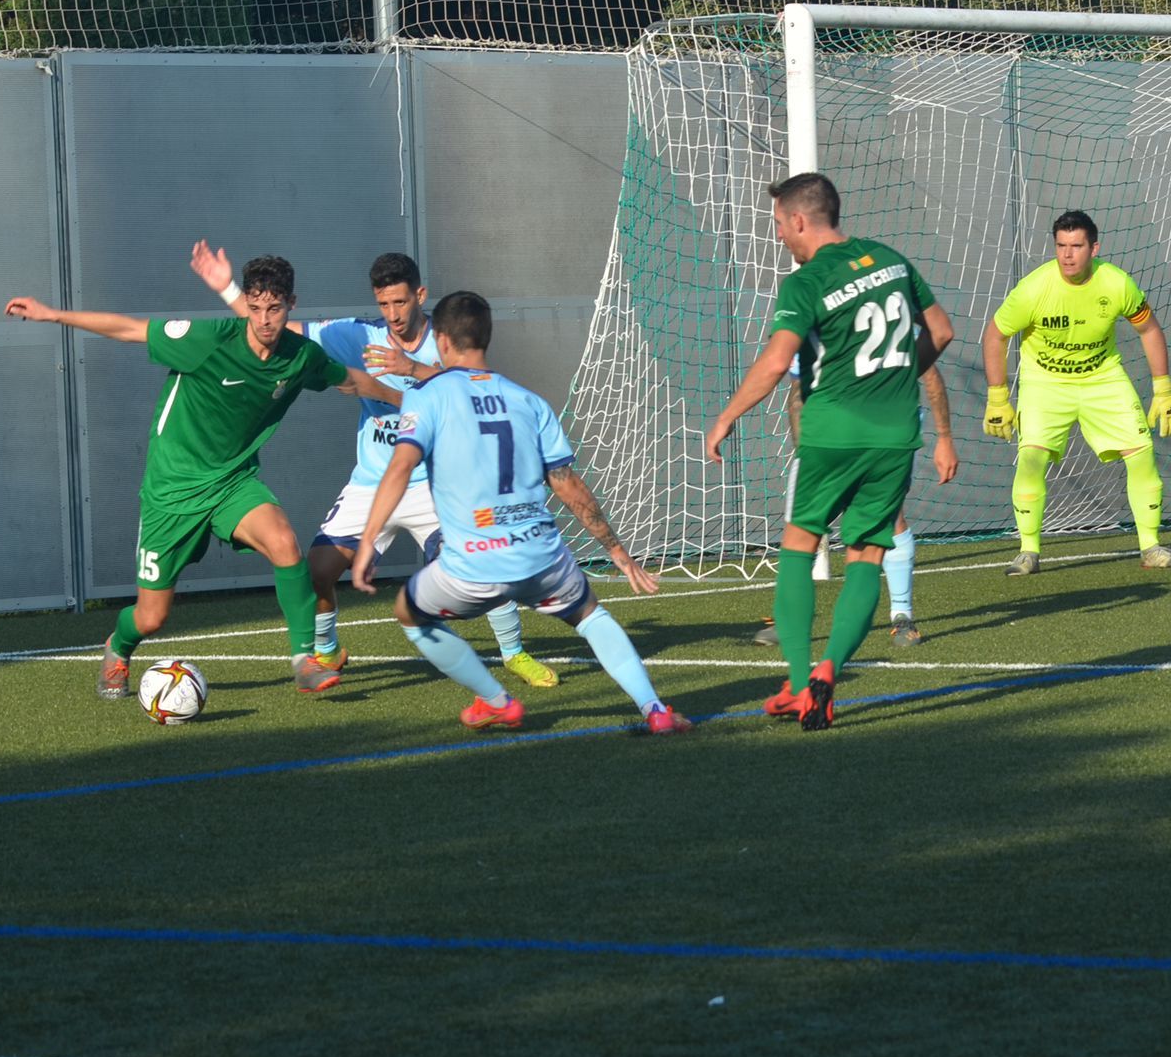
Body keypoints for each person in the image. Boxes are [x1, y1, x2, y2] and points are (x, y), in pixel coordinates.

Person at [5, 256, 399, 697]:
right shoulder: (208, 340)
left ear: (292, 304)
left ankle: (304, 658)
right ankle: (118, 646)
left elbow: (350, 381)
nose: (264, 320)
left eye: (274, 309)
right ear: (245, 305)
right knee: (152, 617)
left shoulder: (302, 357)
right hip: (172, 488)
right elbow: (129, 329)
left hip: (232, 481)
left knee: (285, 543)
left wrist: (409, 399)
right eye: (255, 308)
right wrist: (52, 314)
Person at [189, 243, 555, 695]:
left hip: (433, 484)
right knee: (318, 570)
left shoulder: (446, 340)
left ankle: (515, 652)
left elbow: (473, 390)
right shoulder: (359, 335)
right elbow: (278, 325)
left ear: (420, 294)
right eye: (383, 303)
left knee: (481, 564)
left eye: (400, 301)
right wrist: (226, 286)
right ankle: (327, 650)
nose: (393, 313)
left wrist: (412, 368)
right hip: (373, 483)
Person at [350, 291, 690, 736]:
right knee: (590, 614)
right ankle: (655, 710)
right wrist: (618, 552)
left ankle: (497, 701)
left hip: (472, 565)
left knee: (409, 610)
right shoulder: (528, 400)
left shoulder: (427, 396)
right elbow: (567, 484)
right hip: (542, 558)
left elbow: (400, 466)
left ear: (442, 339)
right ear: (486, 338)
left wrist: (367, 542)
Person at [703, 173, 957, 730]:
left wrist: (725, 417)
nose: (778, 237)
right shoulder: (891, 260)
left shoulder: (805, 282)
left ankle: (798, 681)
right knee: (867, 554)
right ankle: (828, 672)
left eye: (777, 225)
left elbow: (775, 365)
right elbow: (940, 330)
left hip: (831, 434)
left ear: (798, 220)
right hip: (894, 437)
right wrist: (895, 381)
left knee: (799, 544)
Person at [980, 210, 1171, 575]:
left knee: (1142, 454)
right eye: (1061, 246)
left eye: (1076, 246)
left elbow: (1150, 330)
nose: (1067, 255)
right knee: (1031, 459)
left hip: (1103, 379)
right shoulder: (1033, 289)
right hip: (1045, 384)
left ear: (1094, 248)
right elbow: (995, 335)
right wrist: (998, 397)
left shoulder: (1117, 283)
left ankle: (1151, 547)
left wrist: (1163, 390)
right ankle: (1028, 551)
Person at [753, 360, 955, 648]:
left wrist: (945, 438)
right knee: (802, 523)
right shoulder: (816, 321)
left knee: (888, 517)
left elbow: (930, 370)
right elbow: (798, 392)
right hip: (830, 433)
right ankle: (790, 620)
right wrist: (804, 454)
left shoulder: (895, 317)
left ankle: (902, 616)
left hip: (888, 428)